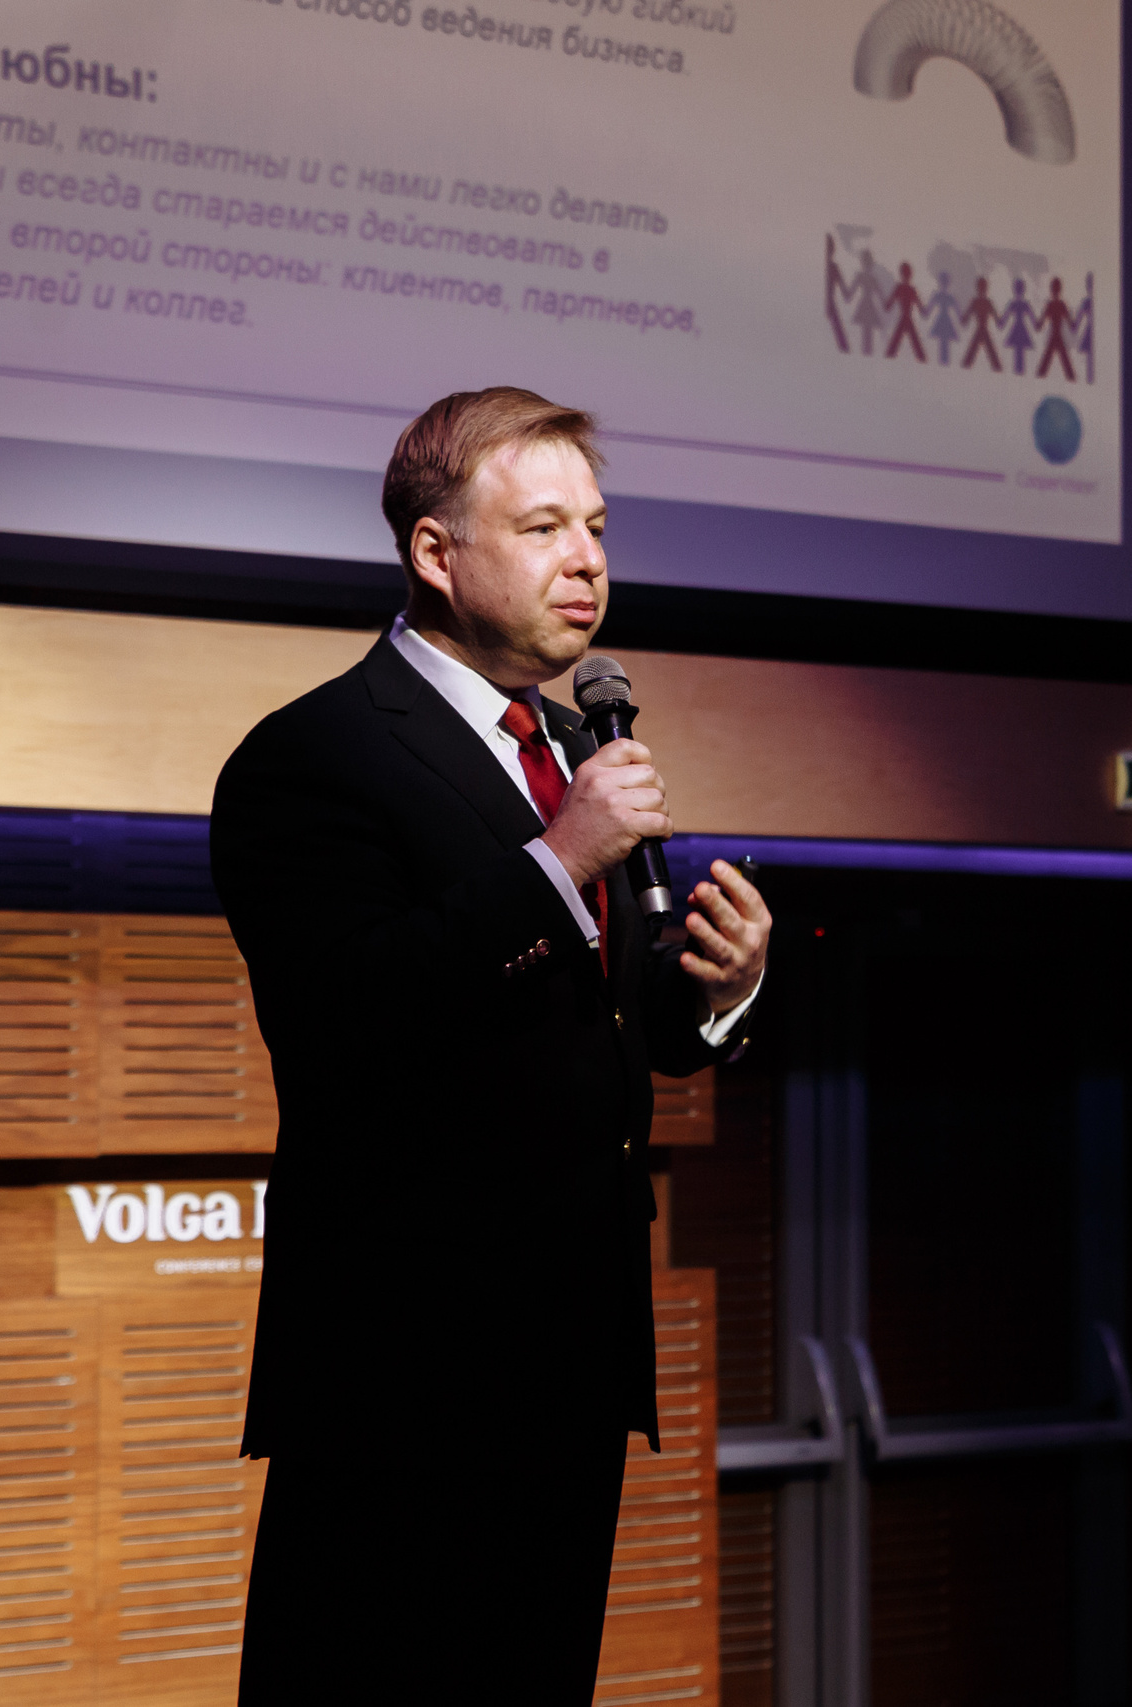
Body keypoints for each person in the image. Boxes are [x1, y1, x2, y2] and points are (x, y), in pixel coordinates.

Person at [210, 386, 770, 1698]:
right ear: (436, 553)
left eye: (597, 527)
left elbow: (610, 1031)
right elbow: (346, 1015)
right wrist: (557, 858)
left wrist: (720, 991)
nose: (587, 561)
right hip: (402, 1371)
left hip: (569, 1360)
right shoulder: (314, 757)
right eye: (543, 527)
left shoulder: (580, 743)